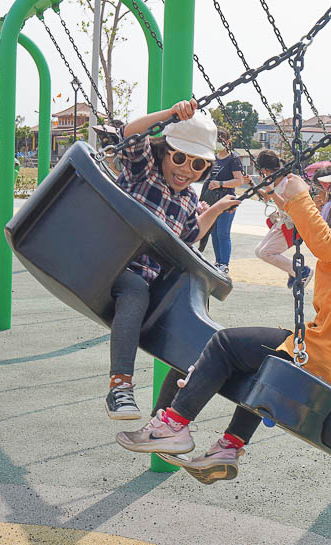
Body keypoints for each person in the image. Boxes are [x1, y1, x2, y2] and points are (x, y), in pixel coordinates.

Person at [116, 162, 331, 484]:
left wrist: (299, 198)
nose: (326, 203)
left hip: (321, 352)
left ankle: (173, 425)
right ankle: (229, 447)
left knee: (225, 345)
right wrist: (291, 207)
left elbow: (324, 243)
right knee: (263, 373)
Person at [101, 99, 241, 419]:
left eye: (197, 165)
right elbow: (129, 133)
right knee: (135, 288)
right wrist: (169, 115)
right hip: (114, 263)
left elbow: (191, 237)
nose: (185, 170)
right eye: (180, 157)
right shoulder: (144, 170)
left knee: (192, 329)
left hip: (150, 281)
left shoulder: (190, 199)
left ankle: (164, 421)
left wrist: (217, 209)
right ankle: (119, 386)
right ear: (165, 151)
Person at [253, 150, 311, 288]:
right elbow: (267, 197)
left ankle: (301, 271)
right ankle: (293, 270)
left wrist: (270, 190)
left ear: (265, 170)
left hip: (292, 225)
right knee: (259, 251)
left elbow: (285, 206)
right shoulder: (273, 180)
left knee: (267, 253)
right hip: (282, 222)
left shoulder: (287, 183)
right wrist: (252, 185)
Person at [199, 129, 245, 273]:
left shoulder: (233, 159)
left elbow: (239, 181)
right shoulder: (213, 157)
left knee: (223, 233)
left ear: (228, 141)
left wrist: (220, 184)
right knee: (214, 232)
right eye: (216, 139)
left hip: (226, 199)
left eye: (221, 139)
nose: (218, 142)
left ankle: (224, 264)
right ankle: (218, 262)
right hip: (212, 199)